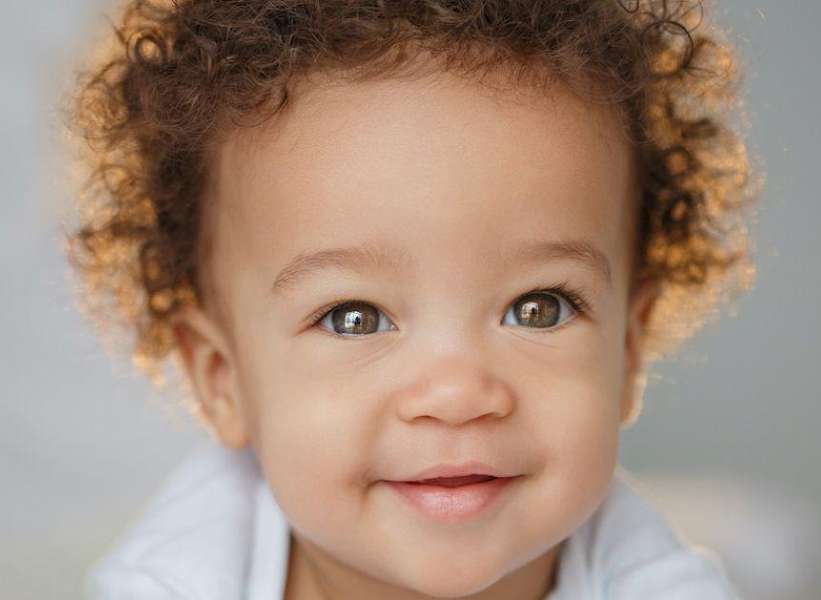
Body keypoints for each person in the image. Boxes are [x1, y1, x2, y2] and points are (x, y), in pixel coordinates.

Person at [63, 1, 757, 598]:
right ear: (222, 378)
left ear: (629, 350)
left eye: (539, 306)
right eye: (353, 318)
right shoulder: (172, 582)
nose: (457, 394)